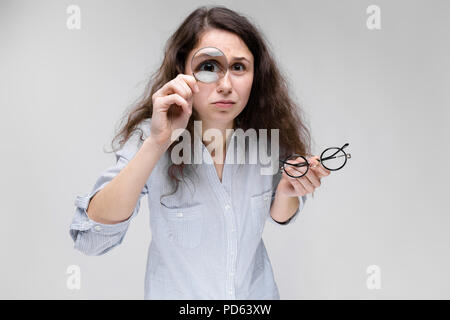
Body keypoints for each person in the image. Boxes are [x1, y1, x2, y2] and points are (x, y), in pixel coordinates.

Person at [69, 5, 330, 299]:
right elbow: (91, 238)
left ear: (256, 75)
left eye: (238, 67)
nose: (226, 85)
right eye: (209, 66)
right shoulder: (154, 134)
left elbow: (281, 215)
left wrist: (286, 192)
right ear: (183, 72)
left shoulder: (266, 134)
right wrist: (156, 143)